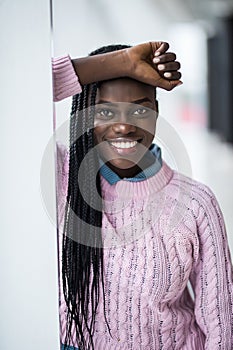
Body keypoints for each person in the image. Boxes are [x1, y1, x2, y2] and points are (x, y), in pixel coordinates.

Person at [53, 42, 233, 350]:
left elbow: (221, 326)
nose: (124, 125)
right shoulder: (62, 178)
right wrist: (121, 62)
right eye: (105, 111)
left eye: (139, 109)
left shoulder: (195, 203)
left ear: (156, 111)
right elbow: (16, 86)